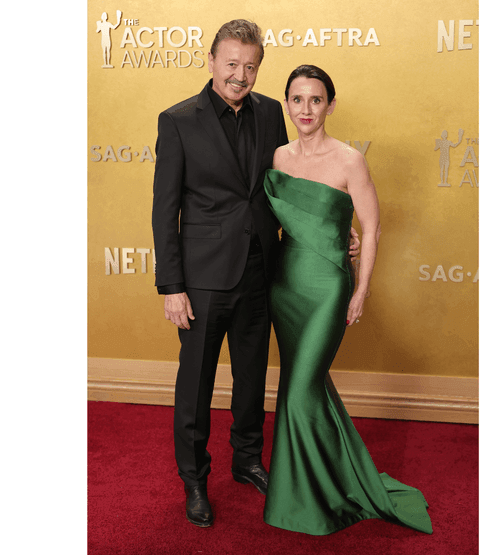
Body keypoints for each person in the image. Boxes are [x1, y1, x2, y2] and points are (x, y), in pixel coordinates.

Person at [150, 21, 359, 529]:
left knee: (251, 379)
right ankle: (195, 480)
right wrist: (172, 287)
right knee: (196, 384)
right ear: (211, 61)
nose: (240, 76)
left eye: (250, 66)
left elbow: (284, 186)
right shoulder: (178, 121)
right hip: (201, 280)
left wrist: (331, 228)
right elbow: (164, 209)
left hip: (262, 271)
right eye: (231, 64)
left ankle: (247, 460)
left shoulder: (269, 112)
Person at [262, 65, 434, 535]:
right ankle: (332, 477)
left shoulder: (349, 160)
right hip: (286, 286)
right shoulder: (278, 156)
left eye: (316, 100)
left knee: (299, 391)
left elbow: (371, 227)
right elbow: (284, 221)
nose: (306, 109)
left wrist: (361, 287)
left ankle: (308, 498)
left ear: (330, 105)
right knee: (307, 387)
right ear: (287, 104)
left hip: (328, 288)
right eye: (297, 99)